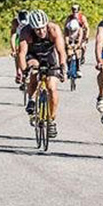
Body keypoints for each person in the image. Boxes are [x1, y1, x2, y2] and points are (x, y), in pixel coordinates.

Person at [18, 10, 67, 138]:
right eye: (37, 29)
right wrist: (24, 72)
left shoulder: (54, 29)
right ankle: (32, 99)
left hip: (49, 55)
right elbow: (22, 53)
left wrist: (62, 68)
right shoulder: (26, 32)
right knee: (33, 71)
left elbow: (61, 51)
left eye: (42, 28)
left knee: (52, 87)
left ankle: (51, 120)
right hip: (33, 55)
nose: (41, 32)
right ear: (32, 28)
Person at [10, 10, 30, 86]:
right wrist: (13, 50)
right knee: (18, 52)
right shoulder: (15, 22)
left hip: (29, 36)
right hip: (20, 37)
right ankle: (19, 72)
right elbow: (13, 37)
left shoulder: (31, 20)